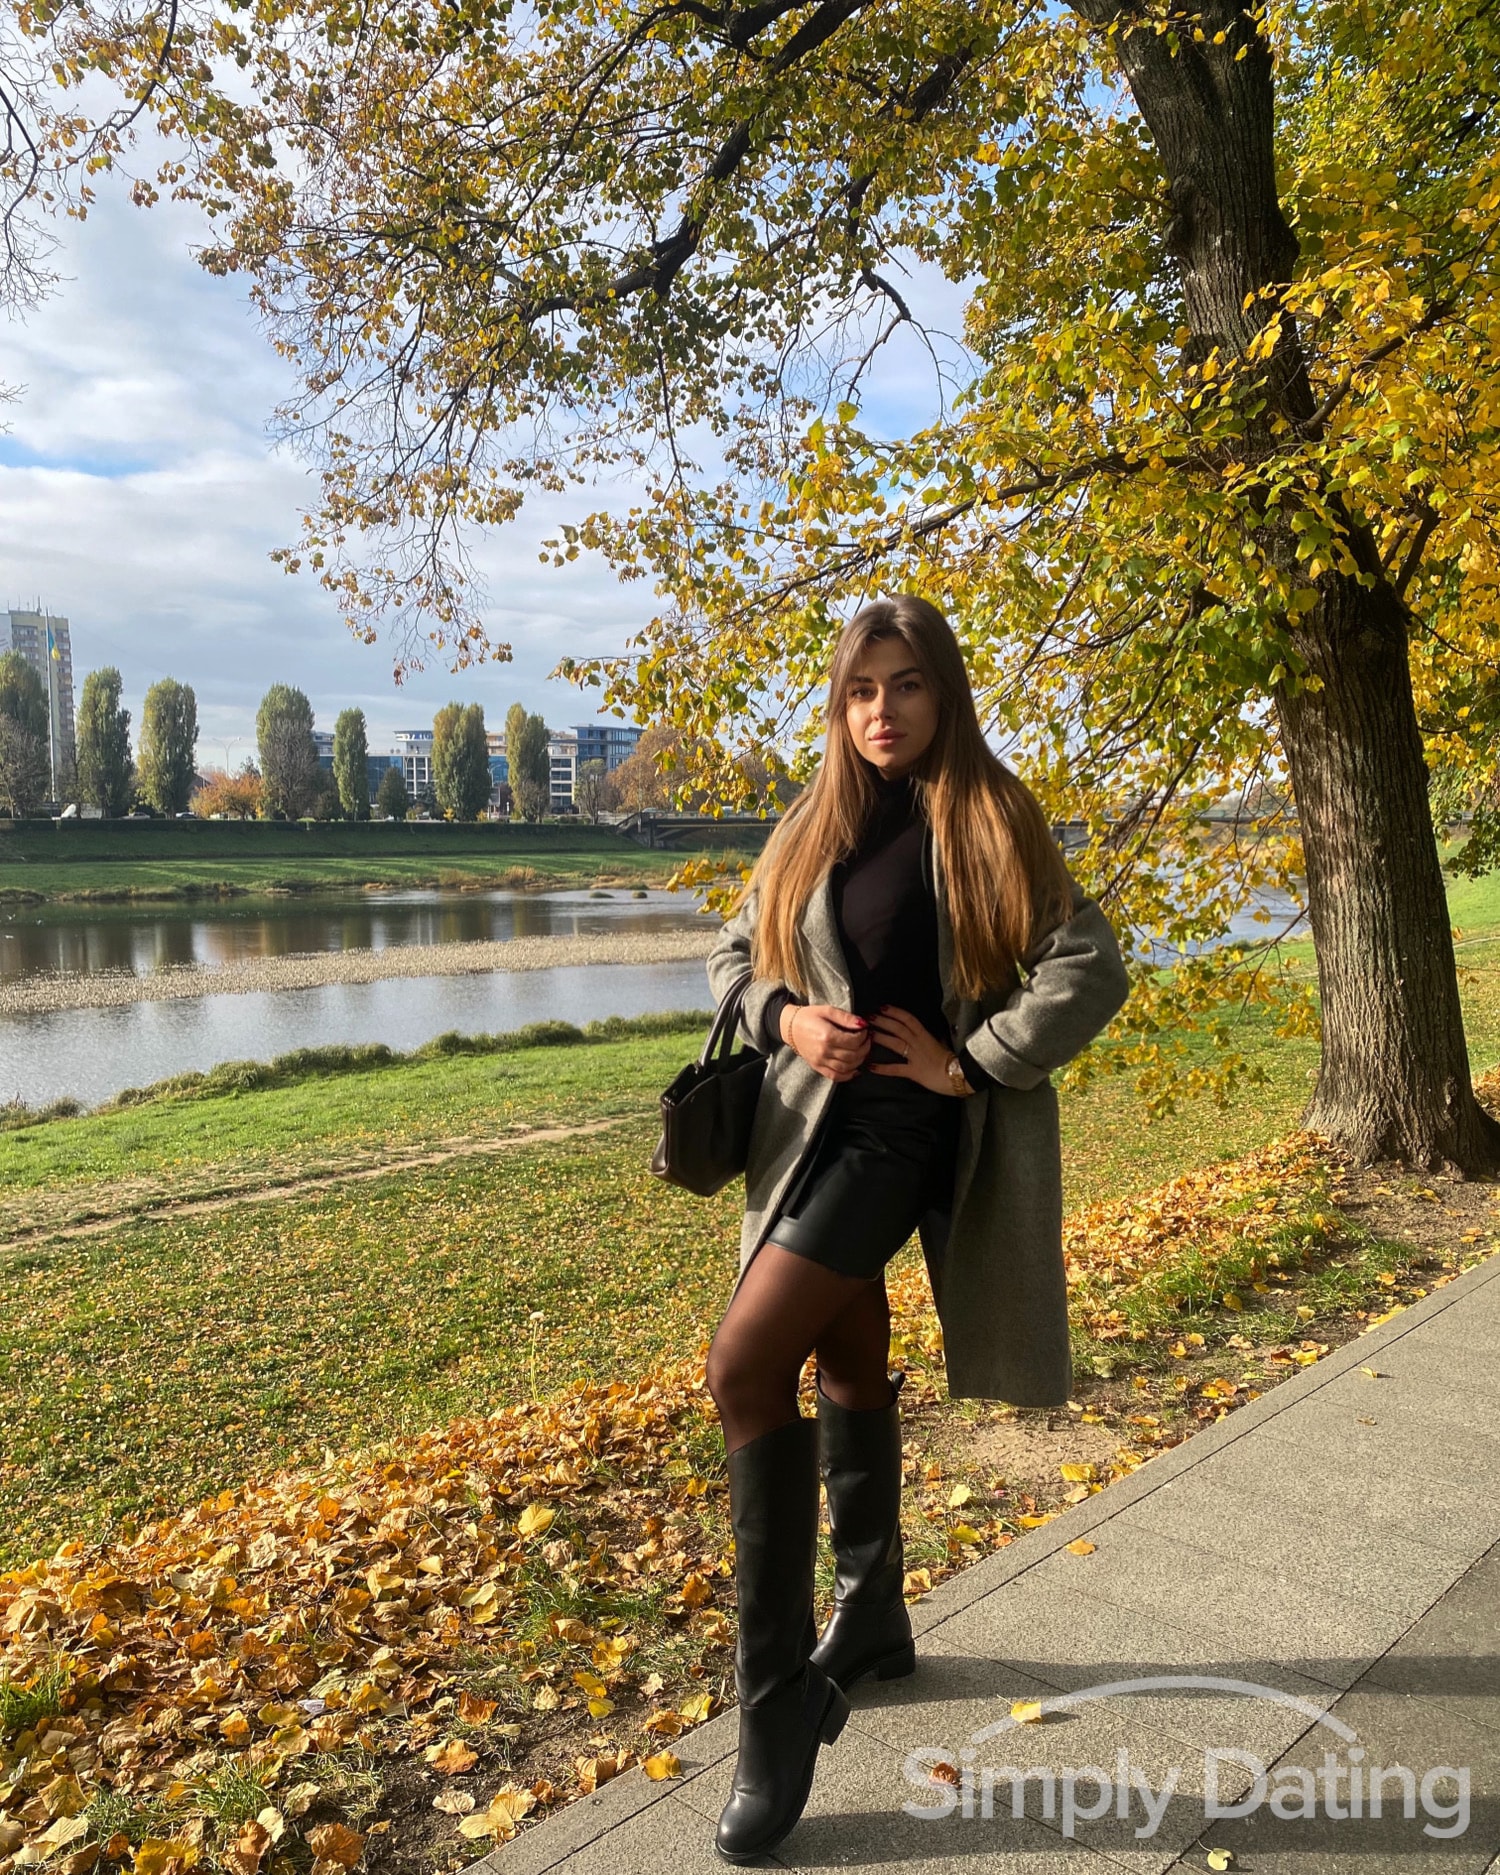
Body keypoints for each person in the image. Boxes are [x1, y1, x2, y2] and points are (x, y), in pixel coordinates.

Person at [702, 593, 1133, 1864]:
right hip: (804, 1135)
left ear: (943, 693)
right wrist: (786, 1017)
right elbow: (733, 957)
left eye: (906, 684)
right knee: (841, 1358)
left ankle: (776, 1708)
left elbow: (1089, 963)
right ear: (839, 706)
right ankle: (874, 1611)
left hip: (902, 1141)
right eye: (861, 689)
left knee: (742, 1368)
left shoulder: (988, 815)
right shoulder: (811, 821)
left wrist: (976, 1064)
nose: (882, 710)